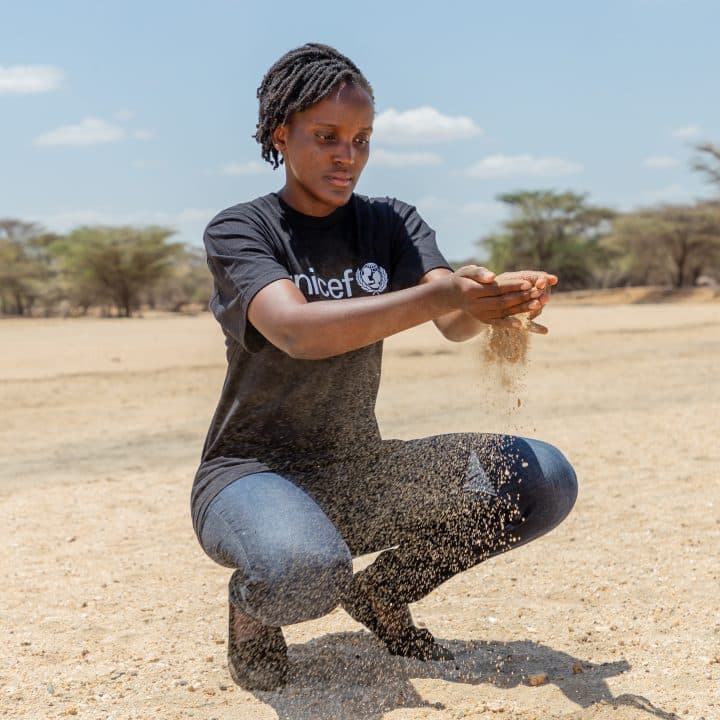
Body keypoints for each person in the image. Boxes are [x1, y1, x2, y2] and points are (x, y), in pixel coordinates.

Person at [192, 43, 578, 691]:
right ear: (281, 134)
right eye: (327, 137)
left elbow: (454, 319)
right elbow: (295, 332)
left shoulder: (390, 223)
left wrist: (492, 302)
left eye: (362, 139)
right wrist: (442, 293)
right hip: (252, 478)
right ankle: (253, 611)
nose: (348, 155)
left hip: (357, 470)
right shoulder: (243, 230)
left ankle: (380, 595)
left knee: (542, 478)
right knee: (301, 573)